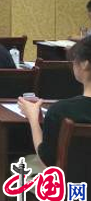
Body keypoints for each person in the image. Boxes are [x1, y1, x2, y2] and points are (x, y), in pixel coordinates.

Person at [18, 36, 91, 169]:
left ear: (85, 64)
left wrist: (33, 118)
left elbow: (47, 163)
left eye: (74, 59)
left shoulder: (60, 111)